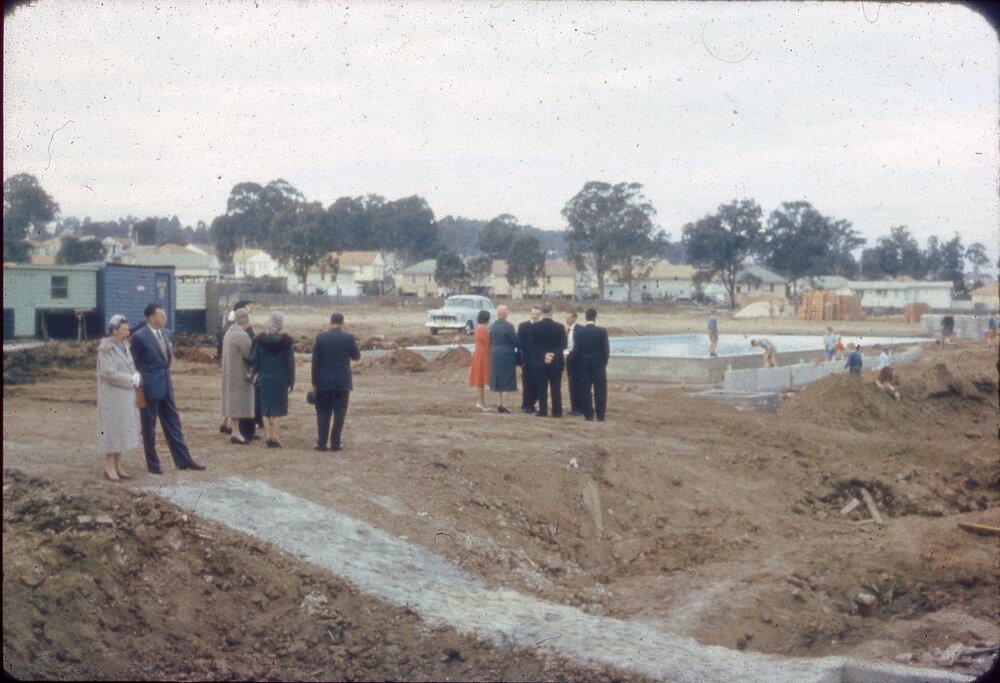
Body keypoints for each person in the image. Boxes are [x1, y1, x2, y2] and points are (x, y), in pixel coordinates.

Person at [130, 303, 206, 473]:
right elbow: (133, 363)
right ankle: (153, 464)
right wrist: (139, 384)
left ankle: (184, 460)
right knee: (149, 427)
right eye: (161, 315)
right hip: (150, 388)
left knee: (173, 423)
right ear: (151, 318)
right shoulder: (139, 337)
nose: (164, 318)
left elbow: (166, 359)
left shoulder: (166, 333)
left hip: (166, 387)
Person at [96, 314, 142, 481]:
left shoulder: (125, 346)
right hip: (112, 397)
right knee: (112, 430)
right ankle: (109, 467)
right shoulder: (106, 349)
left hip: (126, 396)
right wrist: (129, 379)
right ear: (114, 331)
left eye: (127, 329)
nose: (127, 332)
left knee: (123, 430)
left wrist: (136, 375)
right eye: (123, 330)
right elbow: (108, 373)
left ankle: (118, 464)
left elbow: (129, 365)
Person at [311, 312, 361, 452]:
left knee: (323, 412)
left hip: (323, 382)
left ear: (330, 322)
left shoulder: (321, 338)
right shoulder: (349, 338)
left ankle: (321, 443)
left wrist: (314, 383)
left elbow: (315, 362)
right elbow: (356, 356)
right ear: (343, 323)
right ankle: (335, 443)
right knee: (340, 412)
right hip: (342, 382)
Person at [252, 311, 295, 448]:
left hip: (264, 378)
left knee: (265, 408)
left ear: (269, 325)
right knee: (277, 409)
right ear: (280, 326)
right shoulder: (287, 343)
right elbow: (290, 364)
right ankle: (275, 437)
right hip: (280, 380)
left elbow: (254, 360)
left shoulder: (260, 341)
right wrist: (291, 381)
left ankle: (268, 436)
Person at [221, 308, 256, 446]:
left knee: (232, 401)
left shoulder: (229, 333)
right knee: (238, 402)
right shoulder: (242, 335)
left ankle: (235, 430)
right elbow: (249, 355)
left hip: (229, 372)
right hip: (240, 374)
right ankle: (236, 432)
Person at [573, 308, 610, 421]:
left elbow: (576, 351)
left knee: (585, 390)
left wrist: (579, 364)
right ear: (595, 317)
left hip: (583, 364)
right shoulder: (602, 331)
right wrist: (603, 363)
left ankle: (588, 414)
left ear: (585, 317)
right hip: (598, 364)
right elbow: (606, 350)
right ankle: (600, 415)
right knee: (600, 390)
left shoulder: (578, 332)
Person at [531, 302, 567, 417]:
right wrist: (553, 354)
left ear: (541, 312)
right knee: (556, 386)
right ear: (552, 312)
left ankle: (543, 410)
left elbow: (533, 345)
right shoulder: (560, 327)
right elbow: (564, 345)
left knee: (542, 386)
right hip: (556, 361)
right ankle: (557, 411)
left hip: (541, 361)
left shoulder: (535, 327)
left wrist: (544, 355)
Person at [489, 304, 518, 413]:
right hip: (507, 355)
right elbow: (515, 340)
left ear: (497, 313)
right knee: (506, 379)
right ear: (506, 313)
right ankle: (505, 404)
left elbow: (490, 341)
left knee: (496, 378)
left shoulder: (492, 326)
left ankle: (498, 403)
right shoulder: (509, 326)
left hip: (495, 355)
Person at [517, 306, 542, 413]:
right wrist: (520, 360)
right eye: (533, 314)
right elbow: (519, 344)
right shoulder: (523, 326)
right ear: (530, 314)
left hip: (539, 360)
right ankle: (526, 405)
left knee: (537, 383)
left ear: (540, 315)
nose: (535, 316)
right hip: (527, 359)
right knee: (527, 383)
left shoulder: (542, 327)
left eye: (537, 314)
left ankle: (533, 403)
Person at [469, 309, 492, 412]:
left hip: (479, 353)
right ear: (487, 319)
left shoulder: (478, 328)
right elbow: (488, 343)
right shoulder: (483, 329)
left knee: (480, 379)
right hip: (483, 354)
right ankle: (481, 403)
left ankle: (481, 402)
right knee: (481, 379)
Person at [564, 310, 582, 415]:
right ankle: (574, 408)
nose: (566, 320)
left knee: (579, 384)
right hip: (570, 359)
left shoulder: (580, 329)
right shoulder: (567, 330)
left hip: (578, 361)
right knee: (572, 384)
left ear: (574, 318)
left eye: (568, 318)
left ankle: (580, 407)